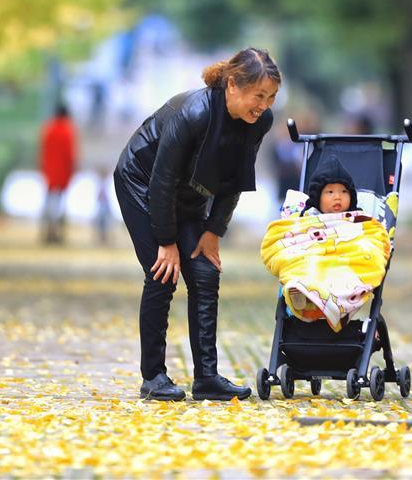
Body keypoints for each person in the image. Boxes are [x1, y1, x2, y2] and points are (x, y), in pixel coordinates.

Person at [114, 47, 280, 401]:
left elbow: (236, 178)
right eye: (258, 95)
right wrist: (166, 240)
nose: (264, 105)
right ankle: (153, 376)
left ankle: (206, 378)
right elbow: (162, 178)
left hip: (188, 194)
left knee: (205, 273)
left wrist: (213, 231)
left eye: (270, 97)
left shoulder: (259, 122)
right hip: (142, 183)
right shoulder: (193, 113)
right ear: (232, 85)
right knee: (162, 272)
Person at [261, 155, 390, 331]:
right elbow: (285, 238)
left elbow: (375, 240)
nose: (337, 197)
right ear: (317, 197)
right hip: (314, 259)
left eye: (344, 192)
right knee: (304, 262)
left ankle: (315, 296)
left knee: (364, 255)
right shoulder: (307, 219)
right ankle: (304, 293)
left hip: (346, 261)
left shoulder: (360, 220)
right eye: (330, 192)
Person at [39, 104, 78, 244]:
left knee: (49, 202)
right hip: (62, 173)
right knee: (59, 204)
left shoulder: (48, 129)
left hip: (49, 172)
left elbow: (42, 151)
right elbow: (70, 155)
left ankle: (48, 231)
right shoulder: (68, 130)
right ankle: (56, 232)